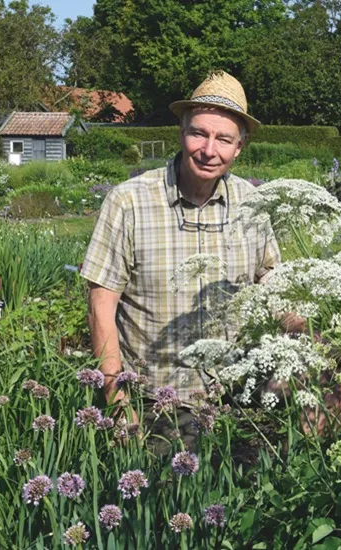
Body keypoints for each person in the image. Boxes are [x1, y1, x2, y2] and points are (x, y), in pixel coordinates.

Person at [80, 71, 280, 450]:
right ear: (181, 132)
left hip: (237, 398)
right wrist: (119, 403)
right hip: (158, 404)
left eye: (224, 139)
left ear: (240, 147)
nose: (209, 150)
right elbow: (100, 304)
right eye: (198, 134)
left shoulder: (254, 204)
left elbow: (269, 284)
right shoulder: (130, 201)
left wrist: (310, 331)